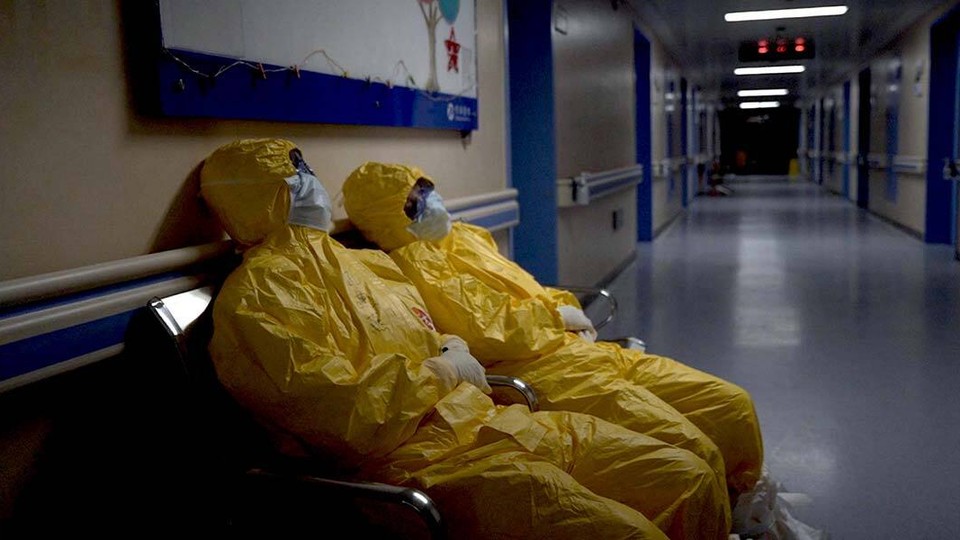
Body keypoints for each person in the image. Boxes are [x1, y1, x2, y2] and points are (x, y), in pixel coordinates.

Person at [199, 139, 731, 539]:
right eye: (297, 179)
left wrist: (449, 350)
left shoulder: (368, 266)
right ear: (260, 200)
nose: (313, 185)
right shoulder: (257, 299)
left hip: (493, 423)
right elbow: (338, 413)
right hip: (419, 469)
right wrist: (442, 371)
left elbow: (429, 330)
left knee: (687, 475)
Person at [341, 162, 764, 505]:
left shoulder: (467, 239)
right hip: (546, 370)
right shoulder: (415, 268)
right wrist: (555, 319)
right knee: (694, 453)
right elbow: (488, 330)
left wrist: (565, 309)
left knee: (730, 403)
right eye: (414, 204)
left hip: (578, 351)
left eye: (426, 189)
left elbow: (528, 288)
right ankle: (723, 516)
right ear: (389, 219)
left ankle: (741, 506)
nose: (431, 203)